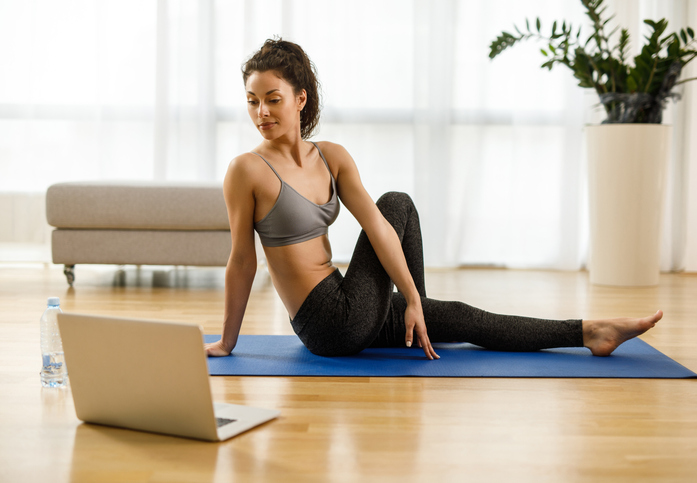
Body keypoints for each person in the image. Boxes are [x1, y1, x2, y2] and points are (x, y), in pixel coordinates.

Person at [204, 38, 662, 361]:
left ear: (300, 99)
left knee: (460, 316)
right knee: (396, 201)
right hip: (326, 322)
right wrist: (228, 342)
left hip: (349, 298)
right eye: (251, 101)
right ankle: (417, 309)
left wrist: (411, 300)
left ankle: (590, 332)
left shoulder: (331, 156)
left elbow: (381, 230)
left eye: (272, 99)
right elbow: (242, 262)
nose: (261, 112)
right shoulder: (246, 170)